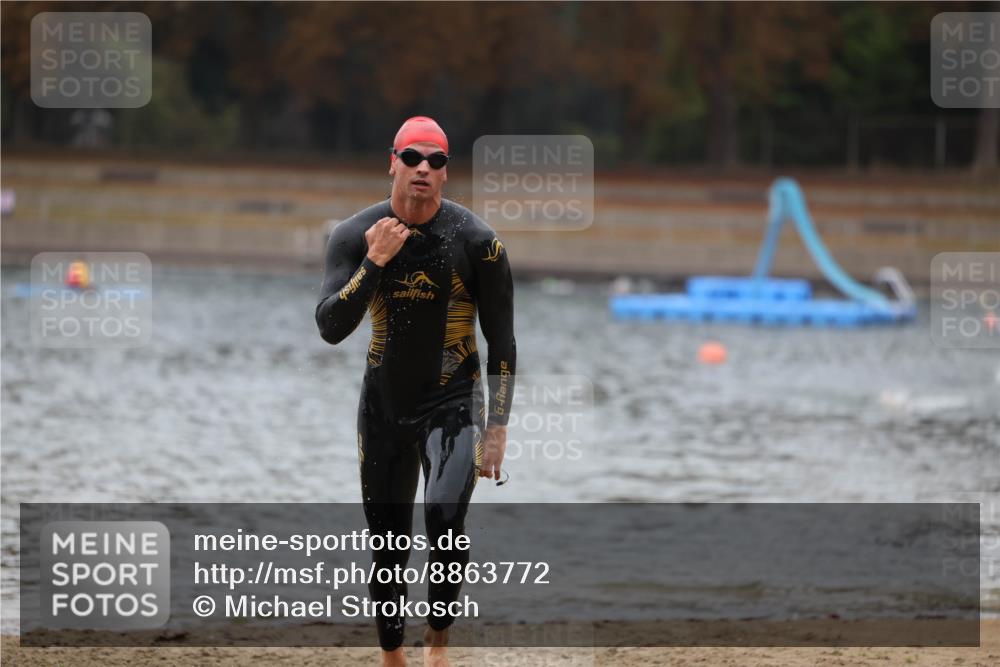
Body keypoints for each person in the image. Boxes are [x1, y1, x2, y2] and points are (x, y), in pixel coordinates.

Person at [315, 116, 516, 666]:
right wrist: (375, 262)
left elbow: (503, 341)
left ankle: (438, 645)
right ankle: (392, 655)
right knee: (388, 543)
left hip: (452, 404)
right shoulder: (355, 236)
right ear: (392, 162)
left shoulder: (478, 243)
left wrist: (496, 427)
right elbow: (331, 327)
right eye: (412, 158)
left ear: (447, 172)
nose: (423, 168)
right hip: (383, 409)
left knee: (445, 521)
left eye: (436, 160)